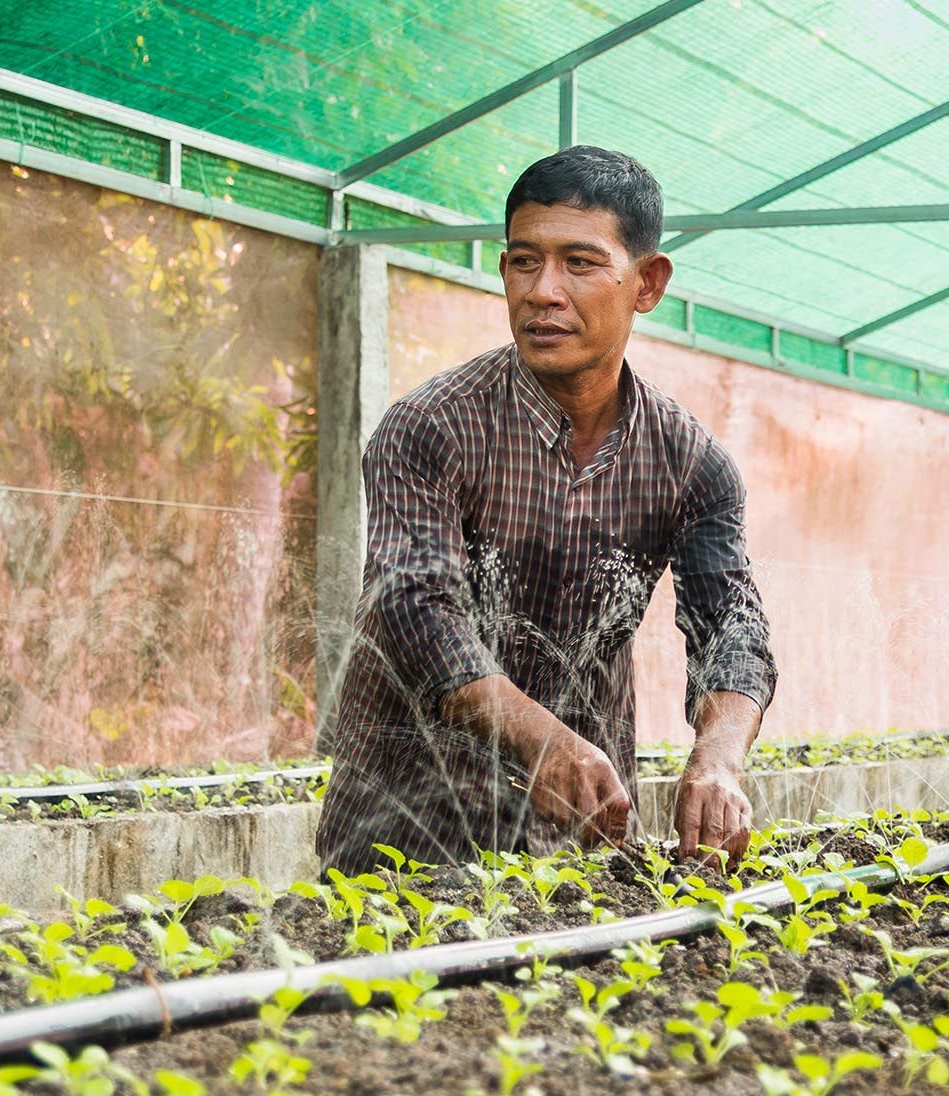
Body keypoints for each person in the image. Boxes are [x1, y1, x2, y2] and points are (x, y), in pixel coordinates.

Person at [316, 146, 775, 875]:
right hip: (405, 838)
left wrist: (718, 761)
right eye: (524, 261)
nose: (543, 291)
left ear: (646, 283)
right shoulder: (432, 428)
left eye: (581, 263)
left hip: (579, 845)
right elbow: (415, 609)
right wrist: (543, 740)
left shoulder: (692, 465)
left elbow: (732, 627)